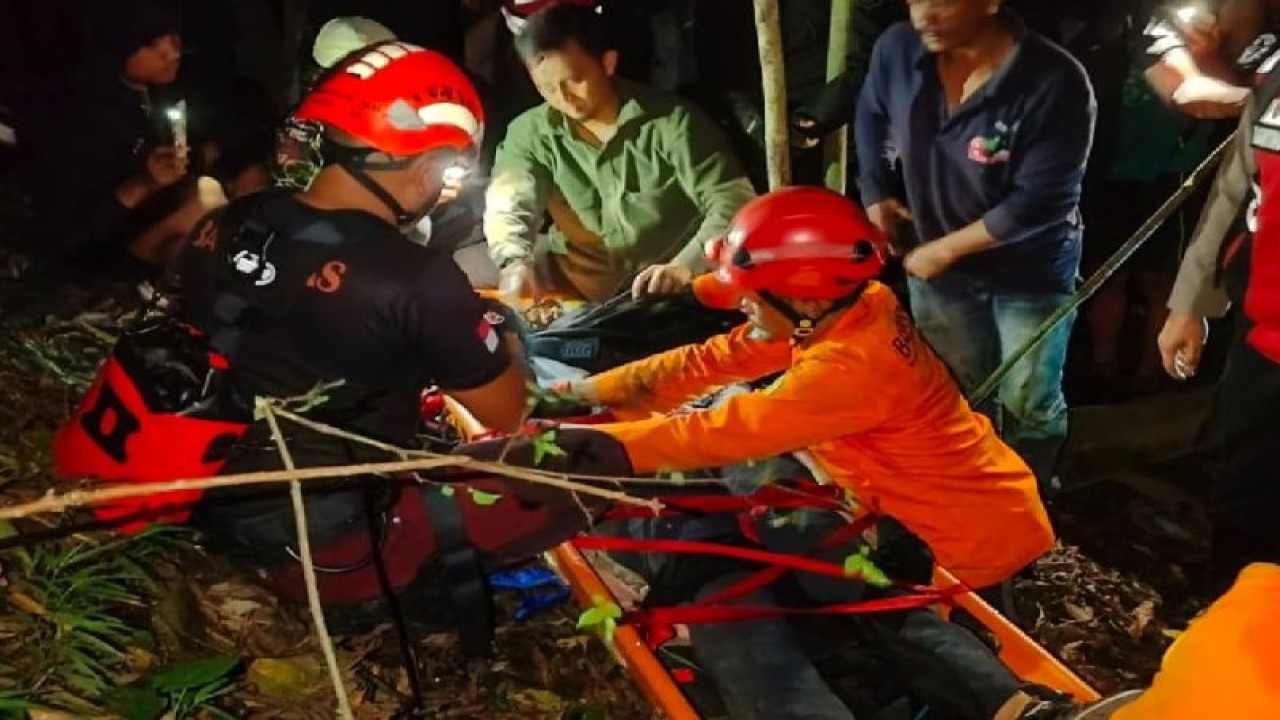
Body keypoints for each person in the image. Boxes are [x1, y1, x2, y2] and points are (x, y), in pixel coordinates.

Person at [171, 44, 583, 632]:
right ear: (425, 168)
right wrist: (502, 343)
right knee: (579, 466)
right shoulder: (414, 277)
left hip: (198, 494)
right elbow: (508, 410)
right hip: (326, 546)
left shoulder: (226, 220)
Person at [854, 0, 1096, 490]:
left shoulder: (1054, 81)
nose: (924, 14)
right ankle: (967, 489)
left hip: (1030, 271)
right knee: (956, 388)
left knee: (1029, 396)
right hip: (940, 271)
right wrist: (877, 192)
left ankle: (1028, 492)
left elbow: (1041, 201)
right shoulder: (898, 51)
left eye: (942, 1)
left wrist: (944, 250)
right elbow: (871, 117)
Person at [483, 3, 756, 304]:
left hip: (672, 290)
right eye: (547, 88)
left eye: (575, 81)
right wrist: (513, 261)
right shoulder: (529, 133)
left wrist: (684, 266)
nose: (565, 99)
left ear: (608, 62)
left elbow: (733, 201)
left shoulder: (673, 122)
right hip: (581, 286)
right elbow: (509, 201)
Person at [1158, 41, 1280, 593]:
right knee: (1241, 496)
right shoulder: (1275, 75)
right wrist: (1191, 303)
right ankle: (1232, 635)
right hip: (1264, 342)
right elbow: (1235, 190)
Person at [18, 0, 225, 276]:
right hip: (101, 249)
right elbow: (69, 237)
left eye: (174, 36)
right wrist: (140, 186)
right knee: (203, 215)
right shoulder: (77, 118)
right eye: (151, 44)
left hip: (155, 220)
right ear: (113, 48)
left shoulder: (155, 90)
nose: (172, 52)